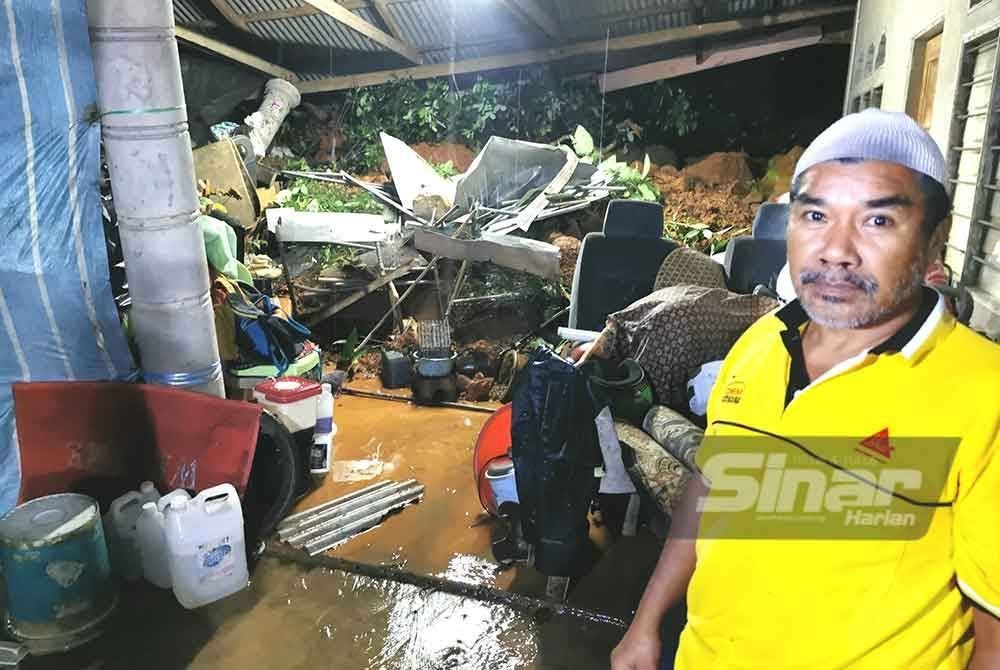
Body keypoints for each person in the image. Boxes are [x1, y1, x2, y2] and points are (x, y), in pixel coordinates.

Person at [611, 109, 1000, 669]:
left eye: (877, 221)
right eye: (816, 214)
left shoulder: (983, 393)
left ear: (935, 241)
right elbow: (714, 485)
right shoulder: (759, 345)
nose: (835, 250)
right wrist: (646, 624)